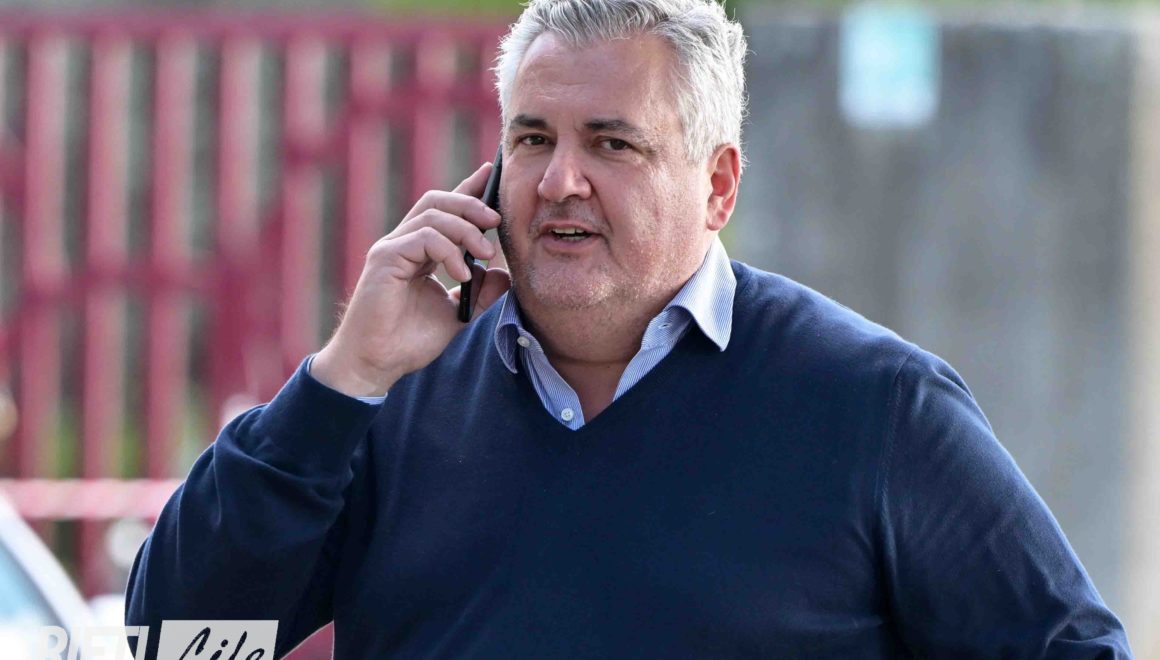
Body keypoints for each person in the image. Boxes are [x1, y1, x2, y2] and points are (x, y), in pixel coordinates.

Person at [126, 0, 1132, 656]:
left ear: (718, 185)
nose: (560, 180)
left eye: (612, 144)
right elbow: (175, 641)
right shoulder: (386, 405)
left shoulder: (874, 407)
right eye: (533, 139)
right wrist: (344, 376)